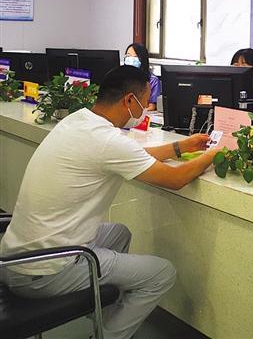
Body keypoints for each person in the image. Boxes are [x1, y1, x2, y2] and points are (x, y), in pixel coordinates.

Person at [0, 65, 221, 339]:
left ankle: (106, 321)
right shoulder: (106, 140)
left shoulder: (80, 121)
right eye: (145, 100)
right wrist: (214, 154)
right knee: (162, 273)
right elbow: (175, 179)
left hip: (13, 258)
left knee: (119, 233)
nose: (145, 108)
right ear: (129, 100)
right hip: (41, 272)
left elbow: (132, 154)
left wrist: (181, 146)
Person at [123, 42, 161, 111]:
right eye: (128, 56)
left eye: (135, 57)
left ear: (142, 59)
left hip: (141, 114)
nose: (130, 59)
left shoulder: (153, 80)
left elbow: (151, 106)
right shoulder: (122, 78)